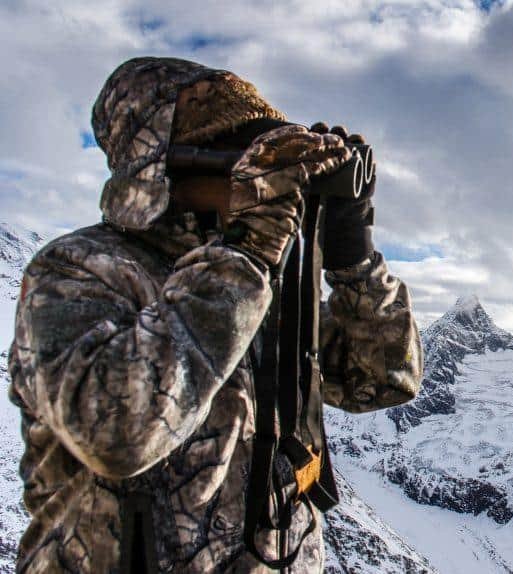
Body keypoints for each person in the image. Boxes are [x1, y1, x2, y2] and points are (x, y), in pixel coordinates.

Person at [7, 57, 423, 572]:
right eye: (240, 156)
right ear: (163, 167)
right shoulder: (76, 271)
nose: (264, 178)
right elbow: (116, 434)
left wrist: (352, 256)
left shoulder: (255, 281)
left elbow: (384, 380)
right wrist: (247, 248)